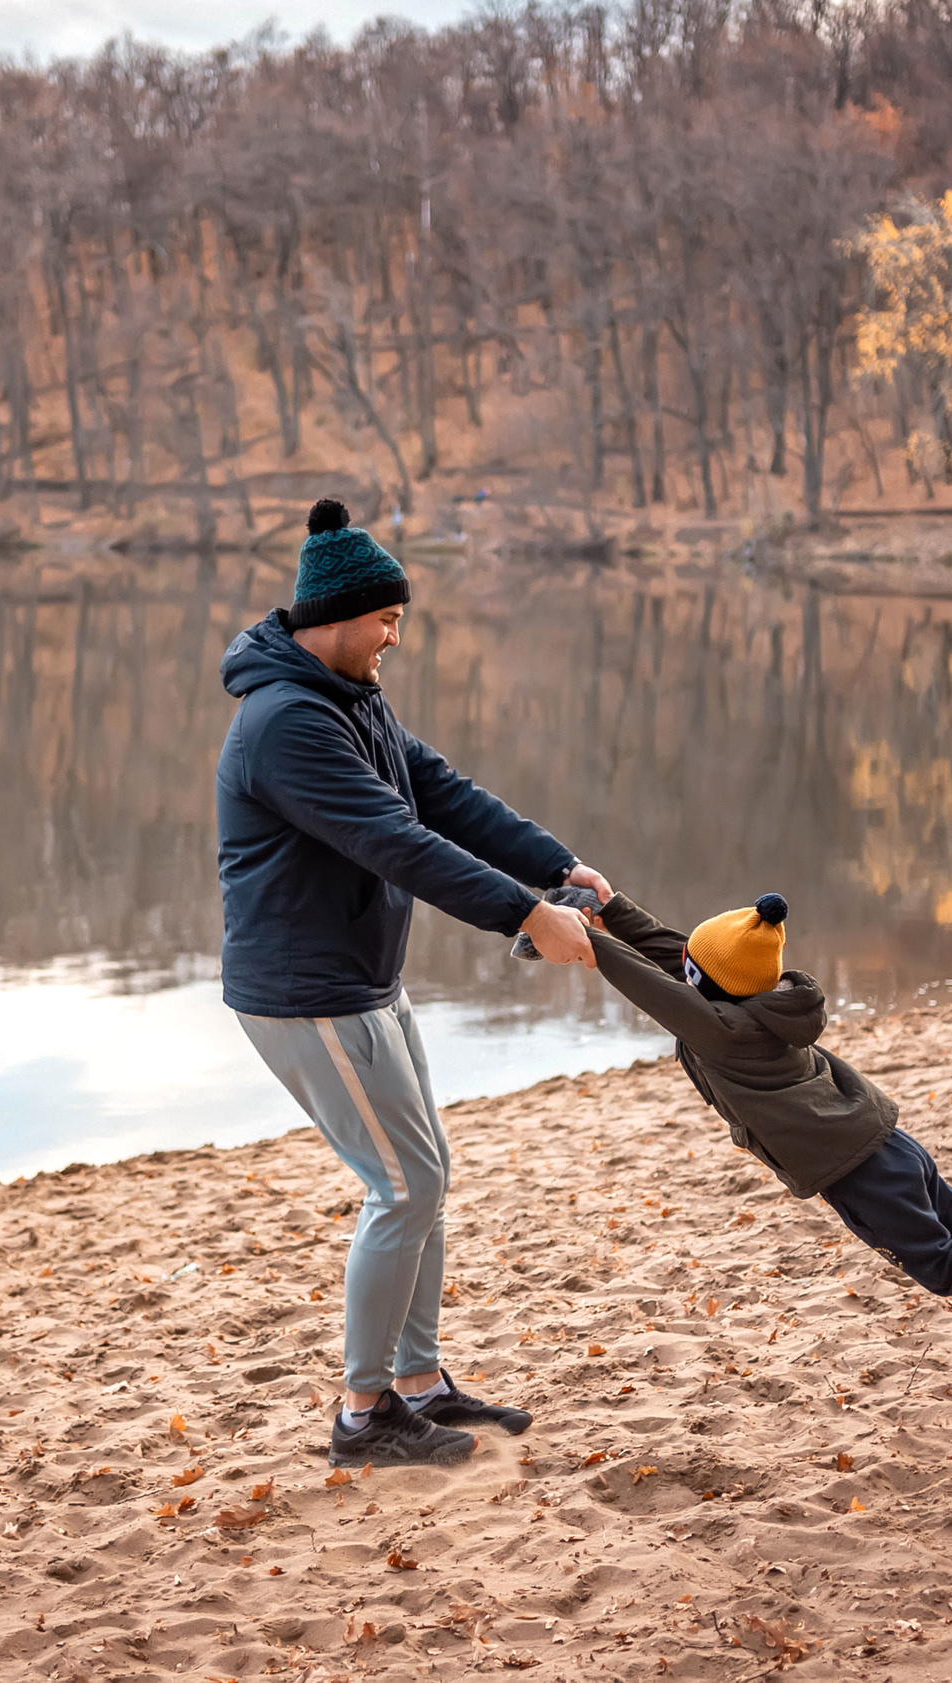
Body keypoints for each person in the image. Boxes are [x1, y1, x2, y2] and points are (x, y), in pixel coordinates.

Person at [218, 496, 612, 1467]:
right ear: (339, 617)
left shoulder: (351, 697)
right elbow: (396, 843)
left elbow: (438, 793)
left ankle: (420, 1383)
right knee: (405, 1185)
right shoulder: (284, 724)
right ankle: (363, 1416)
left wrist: (554, 864)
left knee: (424, 1173)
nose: (396, 636)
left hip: (365, 978)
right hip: (306, 993)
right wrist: (526, 915)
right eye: (387, 619)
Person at [538, 888, 952, 1345]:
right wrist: (610, 908)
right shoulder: (760, 1001)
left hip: (859, 1170)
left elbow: (651, 986)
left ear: (708, 985)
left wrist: (590, 942)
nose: (681, 966)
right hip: (881, 1137)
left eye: (691, 968)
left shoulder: (722, 1029)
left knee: (941, 1265)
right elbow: (678, 956)